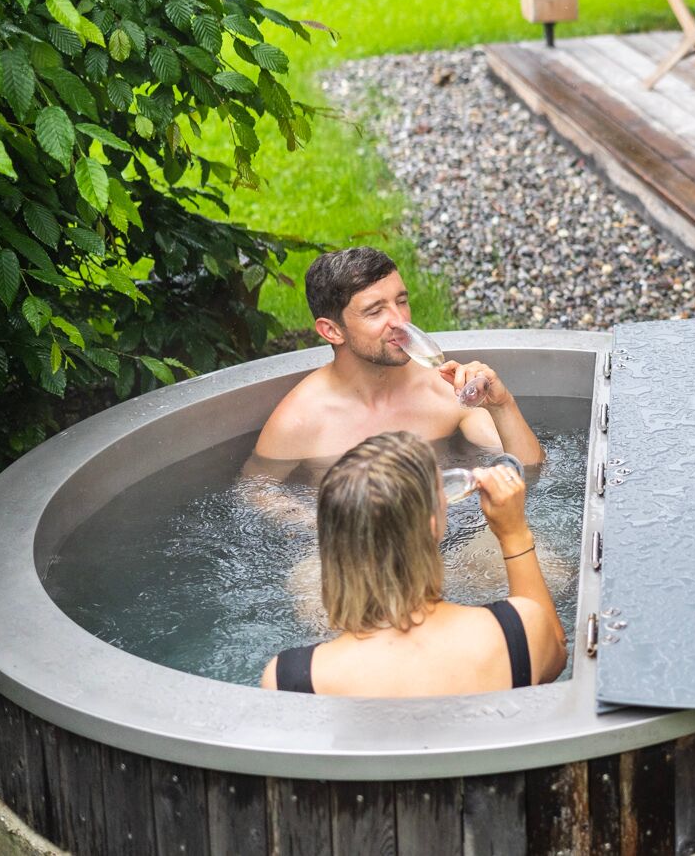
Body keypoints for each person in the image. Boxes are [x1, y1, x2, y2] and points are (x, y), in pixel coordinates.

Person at [260, 431, 567, 696]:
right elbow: (555, 656)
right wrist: (513, 534)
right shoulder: (517, 631)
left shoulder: (290, 678)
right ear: (434, 526)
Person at [243, 247, 545, 502]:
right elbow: (256, 494)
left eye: (401, 301)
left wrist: (502, 406)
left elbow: (529, 473)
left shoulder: (442, 389)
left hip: (453, 528)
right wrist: (327, 527)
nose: (400, 321)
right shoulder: (300, 421)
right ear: (332, 331)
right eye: (375, 311)